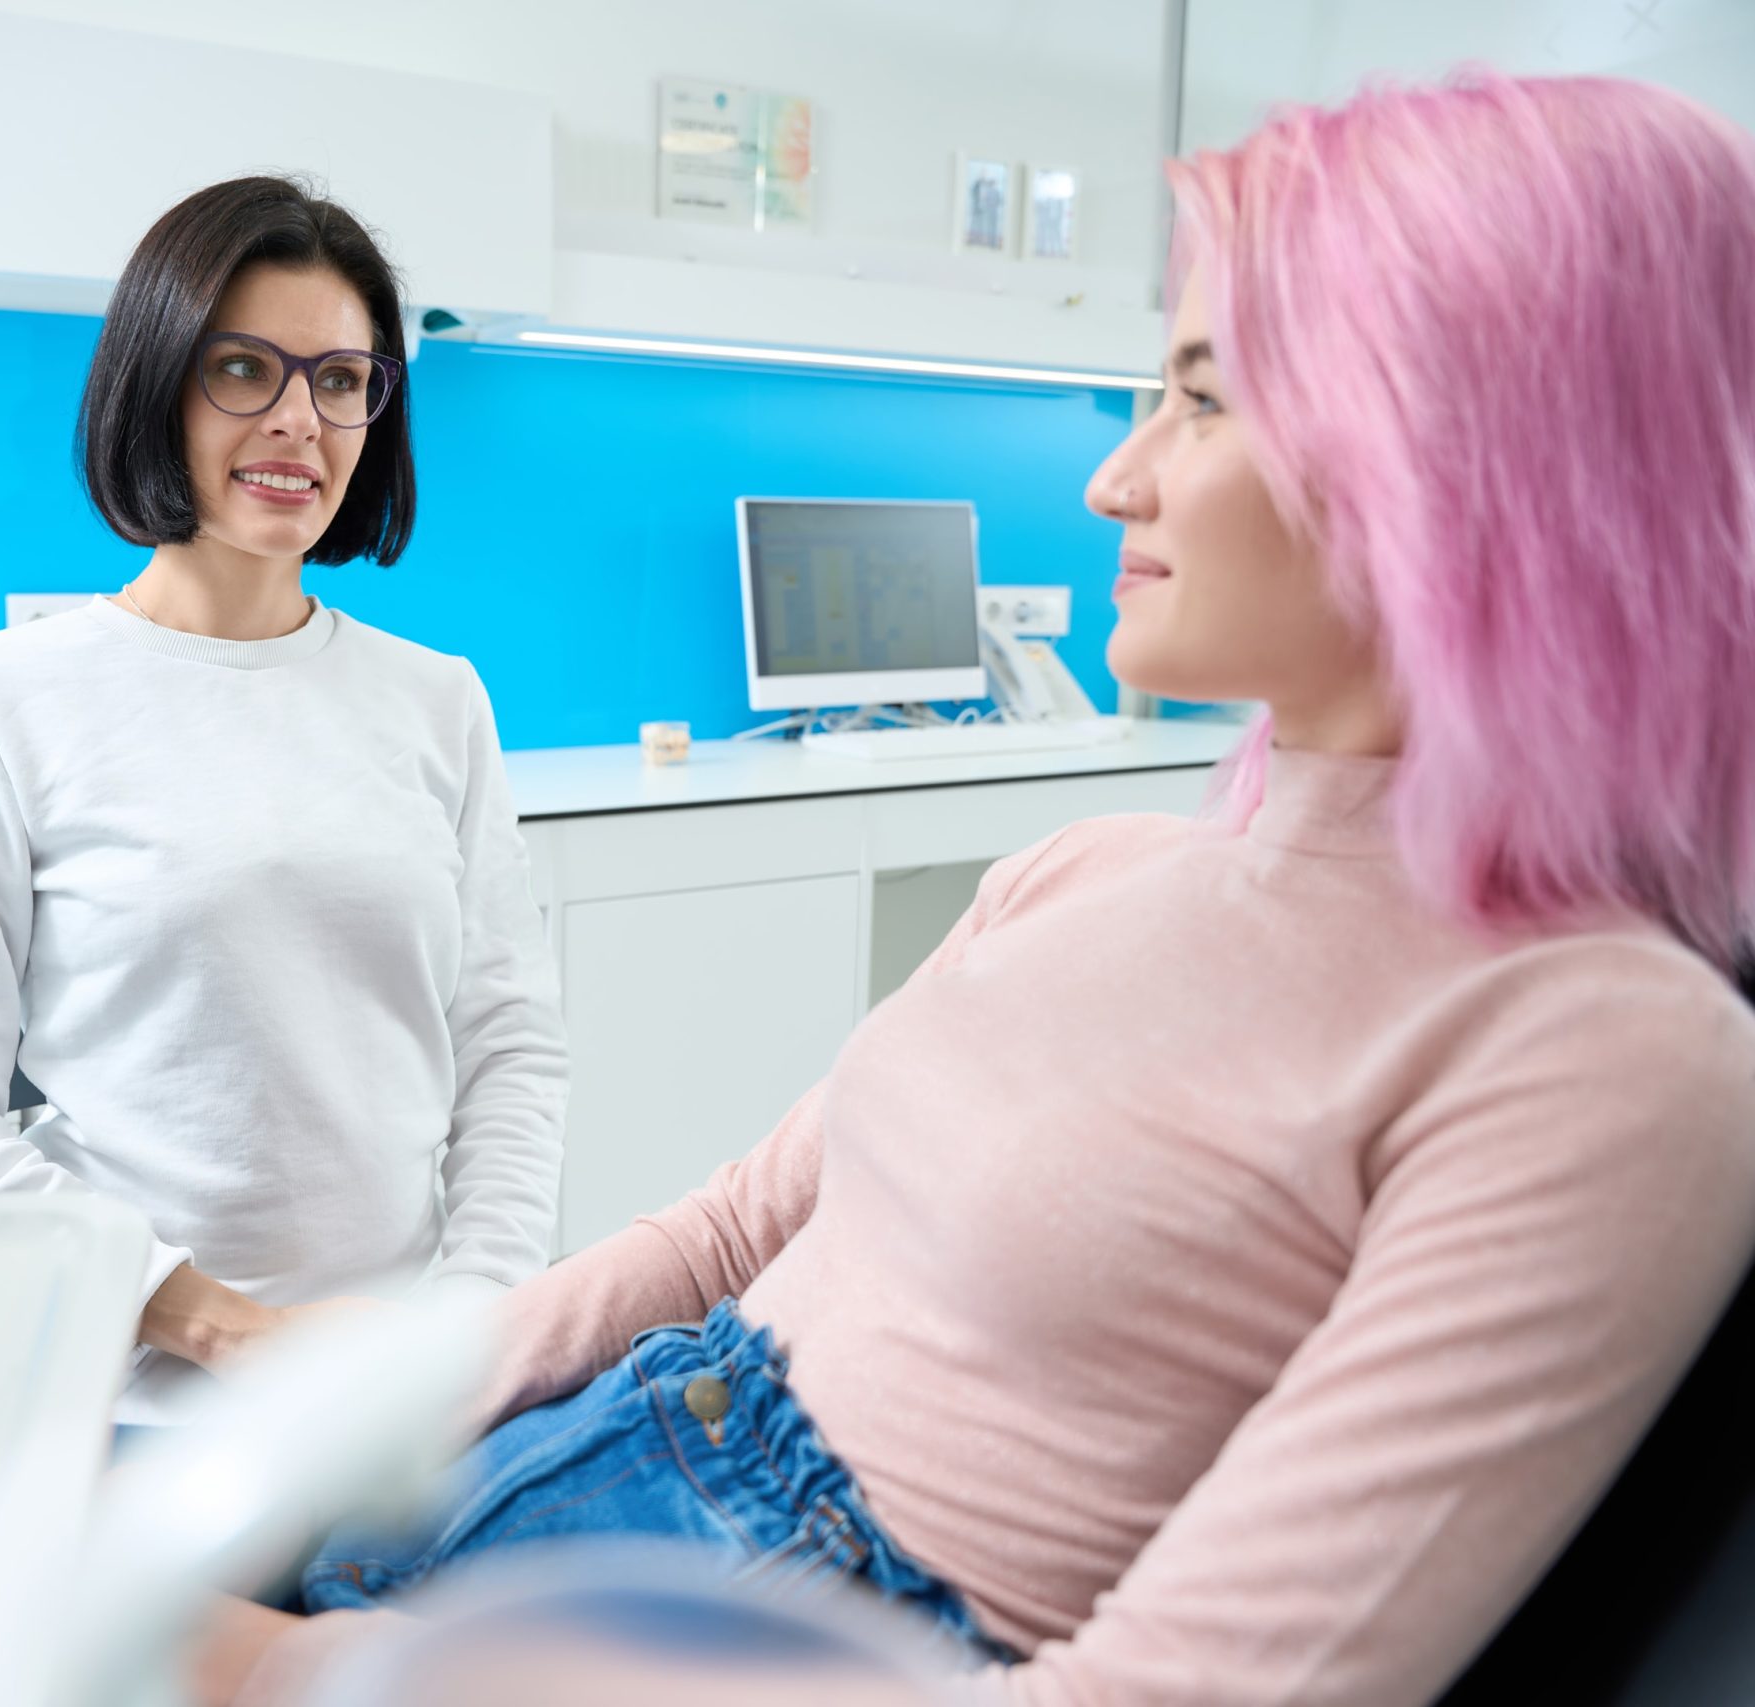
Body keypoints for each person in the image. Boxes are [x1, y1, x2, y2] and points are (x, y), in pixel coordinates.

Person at [201, 73, 1755, 1705]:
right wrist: (347, 1429)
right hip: (514, 1495)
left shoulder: (1606, 1050)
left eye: (1205, 401)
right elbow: (734, 1223)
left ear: (1477, 459)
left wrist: (327, 1674)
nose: (1116, 478)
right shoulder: (1096, 865)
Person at [0, 177, 566, 1422]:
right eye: (244, 369)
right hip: (132, 1384)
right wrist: (231, 1334)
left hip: (408, 1385)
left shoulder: (438, 699)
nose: (302, 421)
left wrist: (471, 1318)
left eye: (342, 380)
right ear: (157, 385)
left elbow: (508, 1046)